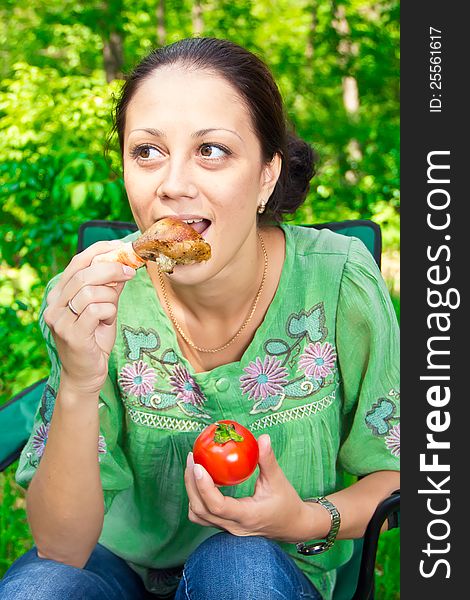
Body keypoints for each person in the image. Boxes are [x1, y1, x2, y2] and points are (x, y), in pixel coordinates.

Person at [0, 37, 400, 600]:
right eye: (147, 151)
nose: (173, 184)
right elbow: (62, 549)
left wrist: (301, 519)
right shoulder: (96, 303)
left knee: (236, 566)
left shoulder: (338, 283)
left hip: (271, 568)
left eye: (212, 149)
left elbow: (408, 471)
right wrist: (78, 382)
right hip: (119, 568)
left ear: (266, 176)